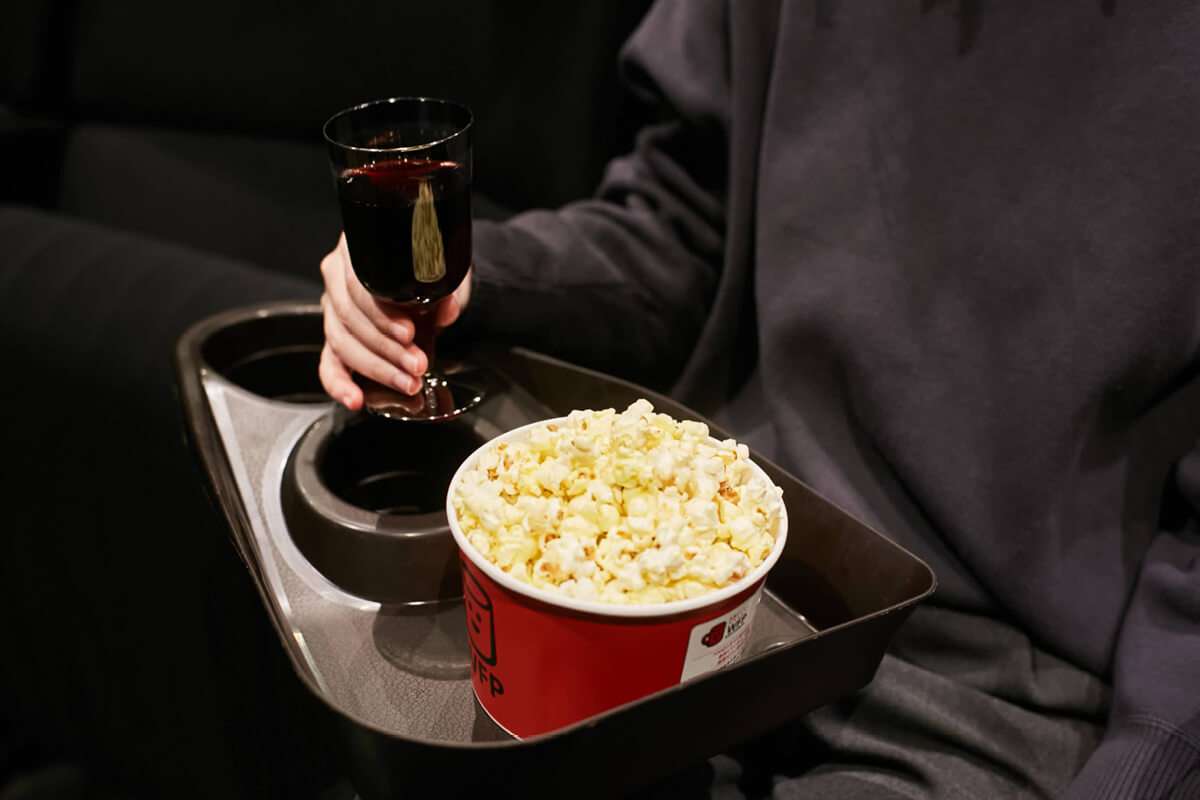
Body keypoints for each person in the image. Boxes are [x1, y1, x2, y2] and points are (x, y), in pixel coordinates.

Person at [319, 2, 1200, 797]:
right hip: (687, 594)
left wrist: (1147, 767)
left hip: (974, 696)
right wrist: (469, 281)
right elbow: (679, 228)